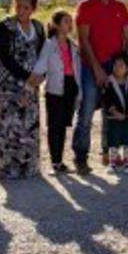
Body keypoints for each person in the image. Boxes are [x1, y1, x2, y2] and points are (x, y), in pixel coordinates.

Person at [73, 0, 128, 174]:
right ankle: (80, 156)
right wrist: (97, 69)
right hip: (92, 66)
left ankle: (109, 152)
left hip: (116, 67)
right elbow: (84, 42)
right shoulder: (85, 7)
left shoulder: (120, 8)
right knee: (87, 112)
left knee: (112, 111)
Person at [0, 0, 44, 180]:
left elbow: (41, 54)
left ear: (33, 8)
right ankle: (7, 169)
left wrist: (39, 76)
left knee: (29, 125)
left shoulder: (38, 27)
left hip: (31, 84)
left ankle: (29, 167)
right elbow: (4, 56)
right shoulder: (5, 26)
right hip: (8, 83)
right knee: (8, 126)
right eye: (18, 6)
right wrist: (26, 75)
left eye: (26, 7)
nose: (21, 10)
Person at [30, 10, 82, 174]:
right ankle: (55, 161)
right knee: (54, 125)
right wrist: (31, 81)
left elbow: (77, 69)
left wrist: (79, 90)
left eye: (70, 22)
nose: (69, 25)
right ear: (57, 25)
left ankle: (60, 161)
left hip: (70, 87)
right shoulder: (49, 44)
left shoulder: (73, 46)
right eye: (66, 21)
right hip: (54, 88)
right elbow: (41, 64)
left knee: (64, 125)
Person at [101, 54, 128, 169]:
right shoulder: (109, 82)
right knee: (113, 141)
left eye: (121, 65)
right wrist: (114, 112)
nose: (117, 67)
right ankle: (112, 163)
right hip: (114, 118)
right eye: (115, 65)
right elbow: (106, 100)